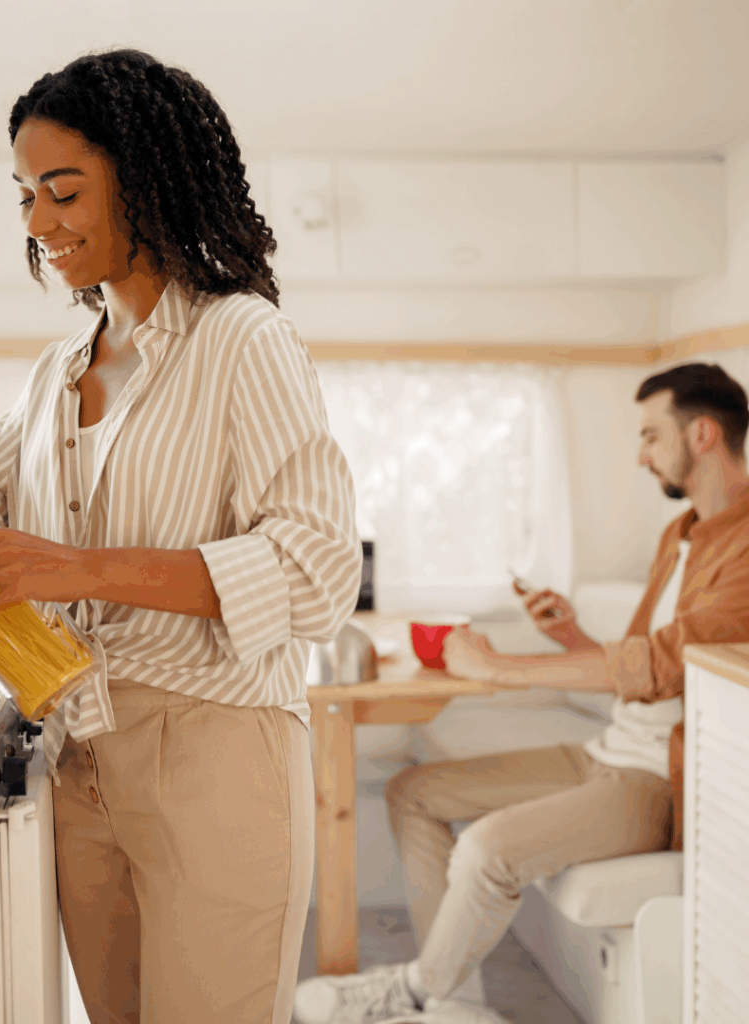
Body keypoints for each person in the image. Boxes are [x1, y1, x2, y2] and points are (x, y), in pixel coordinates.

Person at [0, 48, 362, 1024]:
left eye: (64, 190)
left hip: (216, 756)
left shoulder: (242, 339)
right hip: (81, 751)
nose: (38, 224)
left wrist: (82, 568)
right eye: (24, 196)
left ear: (148, 179)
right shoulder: (55, 371)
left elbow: (315, 571)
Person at [294, 362, 749, 1024]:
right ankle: (456, 998)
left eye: (652, 435)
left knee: (488, 848)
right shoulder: (678, 537)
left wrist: (504, 668)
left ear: (703, 433)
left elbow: (659, 665)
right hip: (608, 751)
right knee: (411, 791)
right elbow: (634, 667)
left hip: (653, 781)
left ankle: (417, 992)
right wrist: (570, 635)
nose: (641, 454)